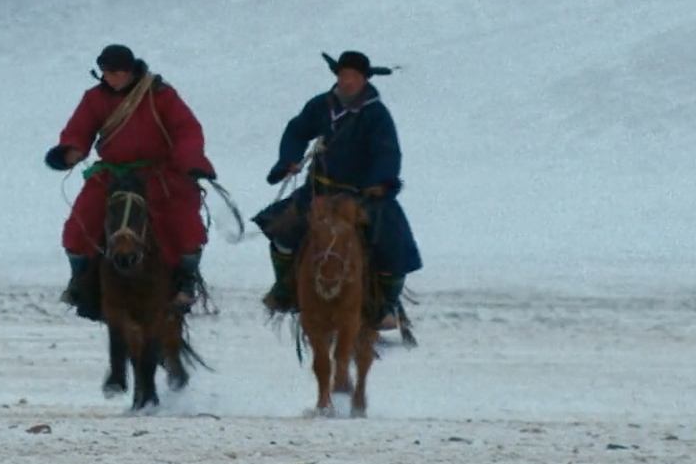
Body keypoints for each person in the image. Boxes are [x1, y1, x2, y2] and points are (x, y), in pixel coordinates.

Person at [45, 44, 216, 318]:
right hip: (112, 174)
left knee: (185, 223)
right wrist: (70, 152)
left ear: (129, 71)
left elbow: (186, 131)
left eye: (115, 72)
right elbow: (79, 130)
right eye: (105, 72)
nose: (109, 78)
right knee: (79, 225)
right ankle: (80, 281)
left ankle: (185, 281)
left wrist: (191, 160)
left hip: (157, 173)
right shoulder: (94, 99)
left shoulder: (160, 95)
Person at [253, 50, 421, 328]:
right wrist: (289, 159)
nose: (347, 81)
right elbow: (296, 131)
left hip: (362, 195)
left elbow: (387, 152)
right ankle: (284, 289)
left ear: (364, 80)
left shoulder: (376, 114)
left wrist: (379, 182)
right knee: (281, 228)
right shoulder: (321, 106)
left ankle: (385, 306)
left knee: (394, 240)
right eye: (343, 75)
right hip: (319, 191)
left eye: (354, 76)